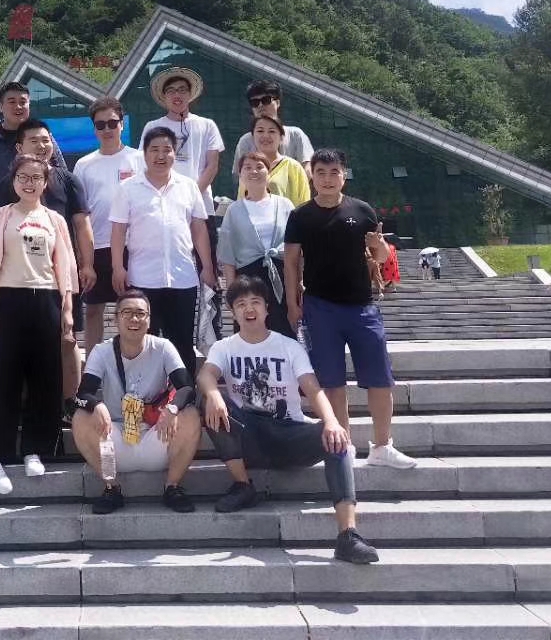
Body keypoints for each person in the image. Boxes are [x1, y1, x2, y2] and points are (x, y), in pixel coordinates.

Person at [198, 275, 379, 564]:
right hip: (249, 436)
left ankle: (348, 535)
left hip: (289, 433)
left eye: (255, 302)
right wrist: (214, 394)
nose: (249, 309)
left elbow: (312, 388)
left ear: (267, 308)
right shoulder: (224, 347)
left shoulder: (288, 346)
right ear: (233, 311)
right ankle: (243, 485)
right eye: (241, 304)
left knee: (338, 440)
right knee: (206, 400)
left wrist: (331, 421)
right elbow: (206, 375)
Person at [284, 148, 416, 469]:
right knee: (332, 382)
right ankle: (342, 447)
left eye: (334, 172)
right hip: (320, 307)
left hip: (362, 307)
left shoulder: (361, 210)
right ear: (312, 176)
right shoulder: (301, 216)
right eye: (321, 172)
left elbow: (381, 257)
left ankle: (383, 446)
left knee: (380, 379)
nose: (327, 179)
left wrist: (379, 246)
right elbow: (290, 262)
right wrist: (292, 303)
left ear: (344, 175)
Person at [0, 154, 77, 495]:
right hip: (10, 300)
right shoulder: (1, 217)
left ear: (45, 183)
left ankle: (35, 448)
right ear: (13, 180)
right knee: (3, 380)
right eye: (23, 177)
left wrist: (67, 311)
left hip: (46, 300)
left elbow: (66, 269)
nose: (30, 183)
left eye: (36, 177)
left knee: (45, 378)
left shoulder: (54, 220)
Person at [71, 290, 201, 514]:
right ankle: (111, 488)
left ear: (149, 319)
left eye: (140, 313)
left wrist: (173, 408)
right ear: (116, 318)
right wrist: (97, 405)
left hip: (157, 434)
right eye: (127, 313)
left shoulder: (162, 347)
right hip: (115, 437)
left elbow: (187, 387)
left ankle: (173, 487)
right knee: (81, 417)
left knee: (190, 414)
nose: (134, 319)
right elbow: (84, 393)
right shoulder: (102, 351)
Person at [110, 126, 217, 372]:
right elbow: (118, 231)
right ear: (145, 154)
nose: (161, 156)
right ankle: (144, 393)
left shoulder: (188, 186)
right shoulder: (128, 188)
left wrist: (207, 266)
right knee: (143, 341)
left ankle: (184, 393)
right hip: (142, 279)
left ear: (174, 153)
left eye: (167, 150)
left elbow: (198, 229)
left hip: (183, 278)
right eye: (154, 150)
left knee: (182, 343)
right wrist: (117, 267)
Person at [0, 119, 96, 342]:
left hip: (61, 273)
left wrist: (87, 265)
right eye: (34, 141)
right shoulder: (7, 185)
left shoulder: (68, 180)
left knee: (66, 337)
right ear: (19, 148)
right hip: (20, 278)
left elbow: (82, 225)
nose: (41, 146)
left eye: (45, 140)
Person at [72, 97, 144, 351]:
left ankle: (134, 361)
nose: (107, 129)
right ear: (94, 129)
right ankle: (93, 367)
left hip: (133, 246)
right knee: (93, 310)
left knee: (134, 309)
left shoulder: (139, 159)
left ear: (122, 124)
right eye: (100, 125)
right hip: (97, 245)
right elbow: (79, 214)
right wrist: (83, 259)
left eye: (112, 123)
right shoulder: (84, 165)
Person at [0, 81, 67, 240]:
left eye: (23, 102)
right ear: (1, 106)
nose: (18, 107)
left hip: (44, 224)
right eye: (12, 102)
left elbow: (61, 173)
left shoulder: (45, 138)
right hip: (1, 225)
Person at [218, 151, 296, 338]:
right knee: (250, 334)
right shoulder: (234, 210)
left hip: (282, 278)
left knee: (283, 332)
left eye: (259, 167)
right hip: (247, 279)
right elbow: (228, 255)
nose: (254, 171)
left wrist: (298, 284)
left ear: (269, 173)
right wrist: (231, 292)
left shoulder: (285, 205)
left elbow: (296, 247)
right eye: (248, 168)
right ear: (241, 174)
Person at [141, 67, 223, 217]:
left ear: (190, 94)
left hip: (200, 205)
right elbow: (145, 163)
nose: (177, 95)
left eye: (182, 90)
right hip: (162, 206)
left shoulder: (207, 125)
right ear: (164, 96)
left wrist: (192, 196)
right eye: (171, 91)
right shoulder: (152, 126)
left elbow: (212, 166)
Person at [232, 80, 314, 172]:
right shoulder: (245, 141)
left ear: (278, 103)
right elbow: (241, 175)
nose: (260, 106)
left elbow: (308, 168)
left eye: (266, 100)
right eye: (255, 102)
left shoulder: (295, 135)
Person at [238, 116, 311, 206]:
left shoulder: (293, 167)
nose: (265, 136)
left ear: (281, 137)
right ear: (253, 136)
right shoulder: (247, 167)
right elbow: (240, 203)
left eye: (271, 131)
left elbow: (304, 203)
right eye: (260, 131)